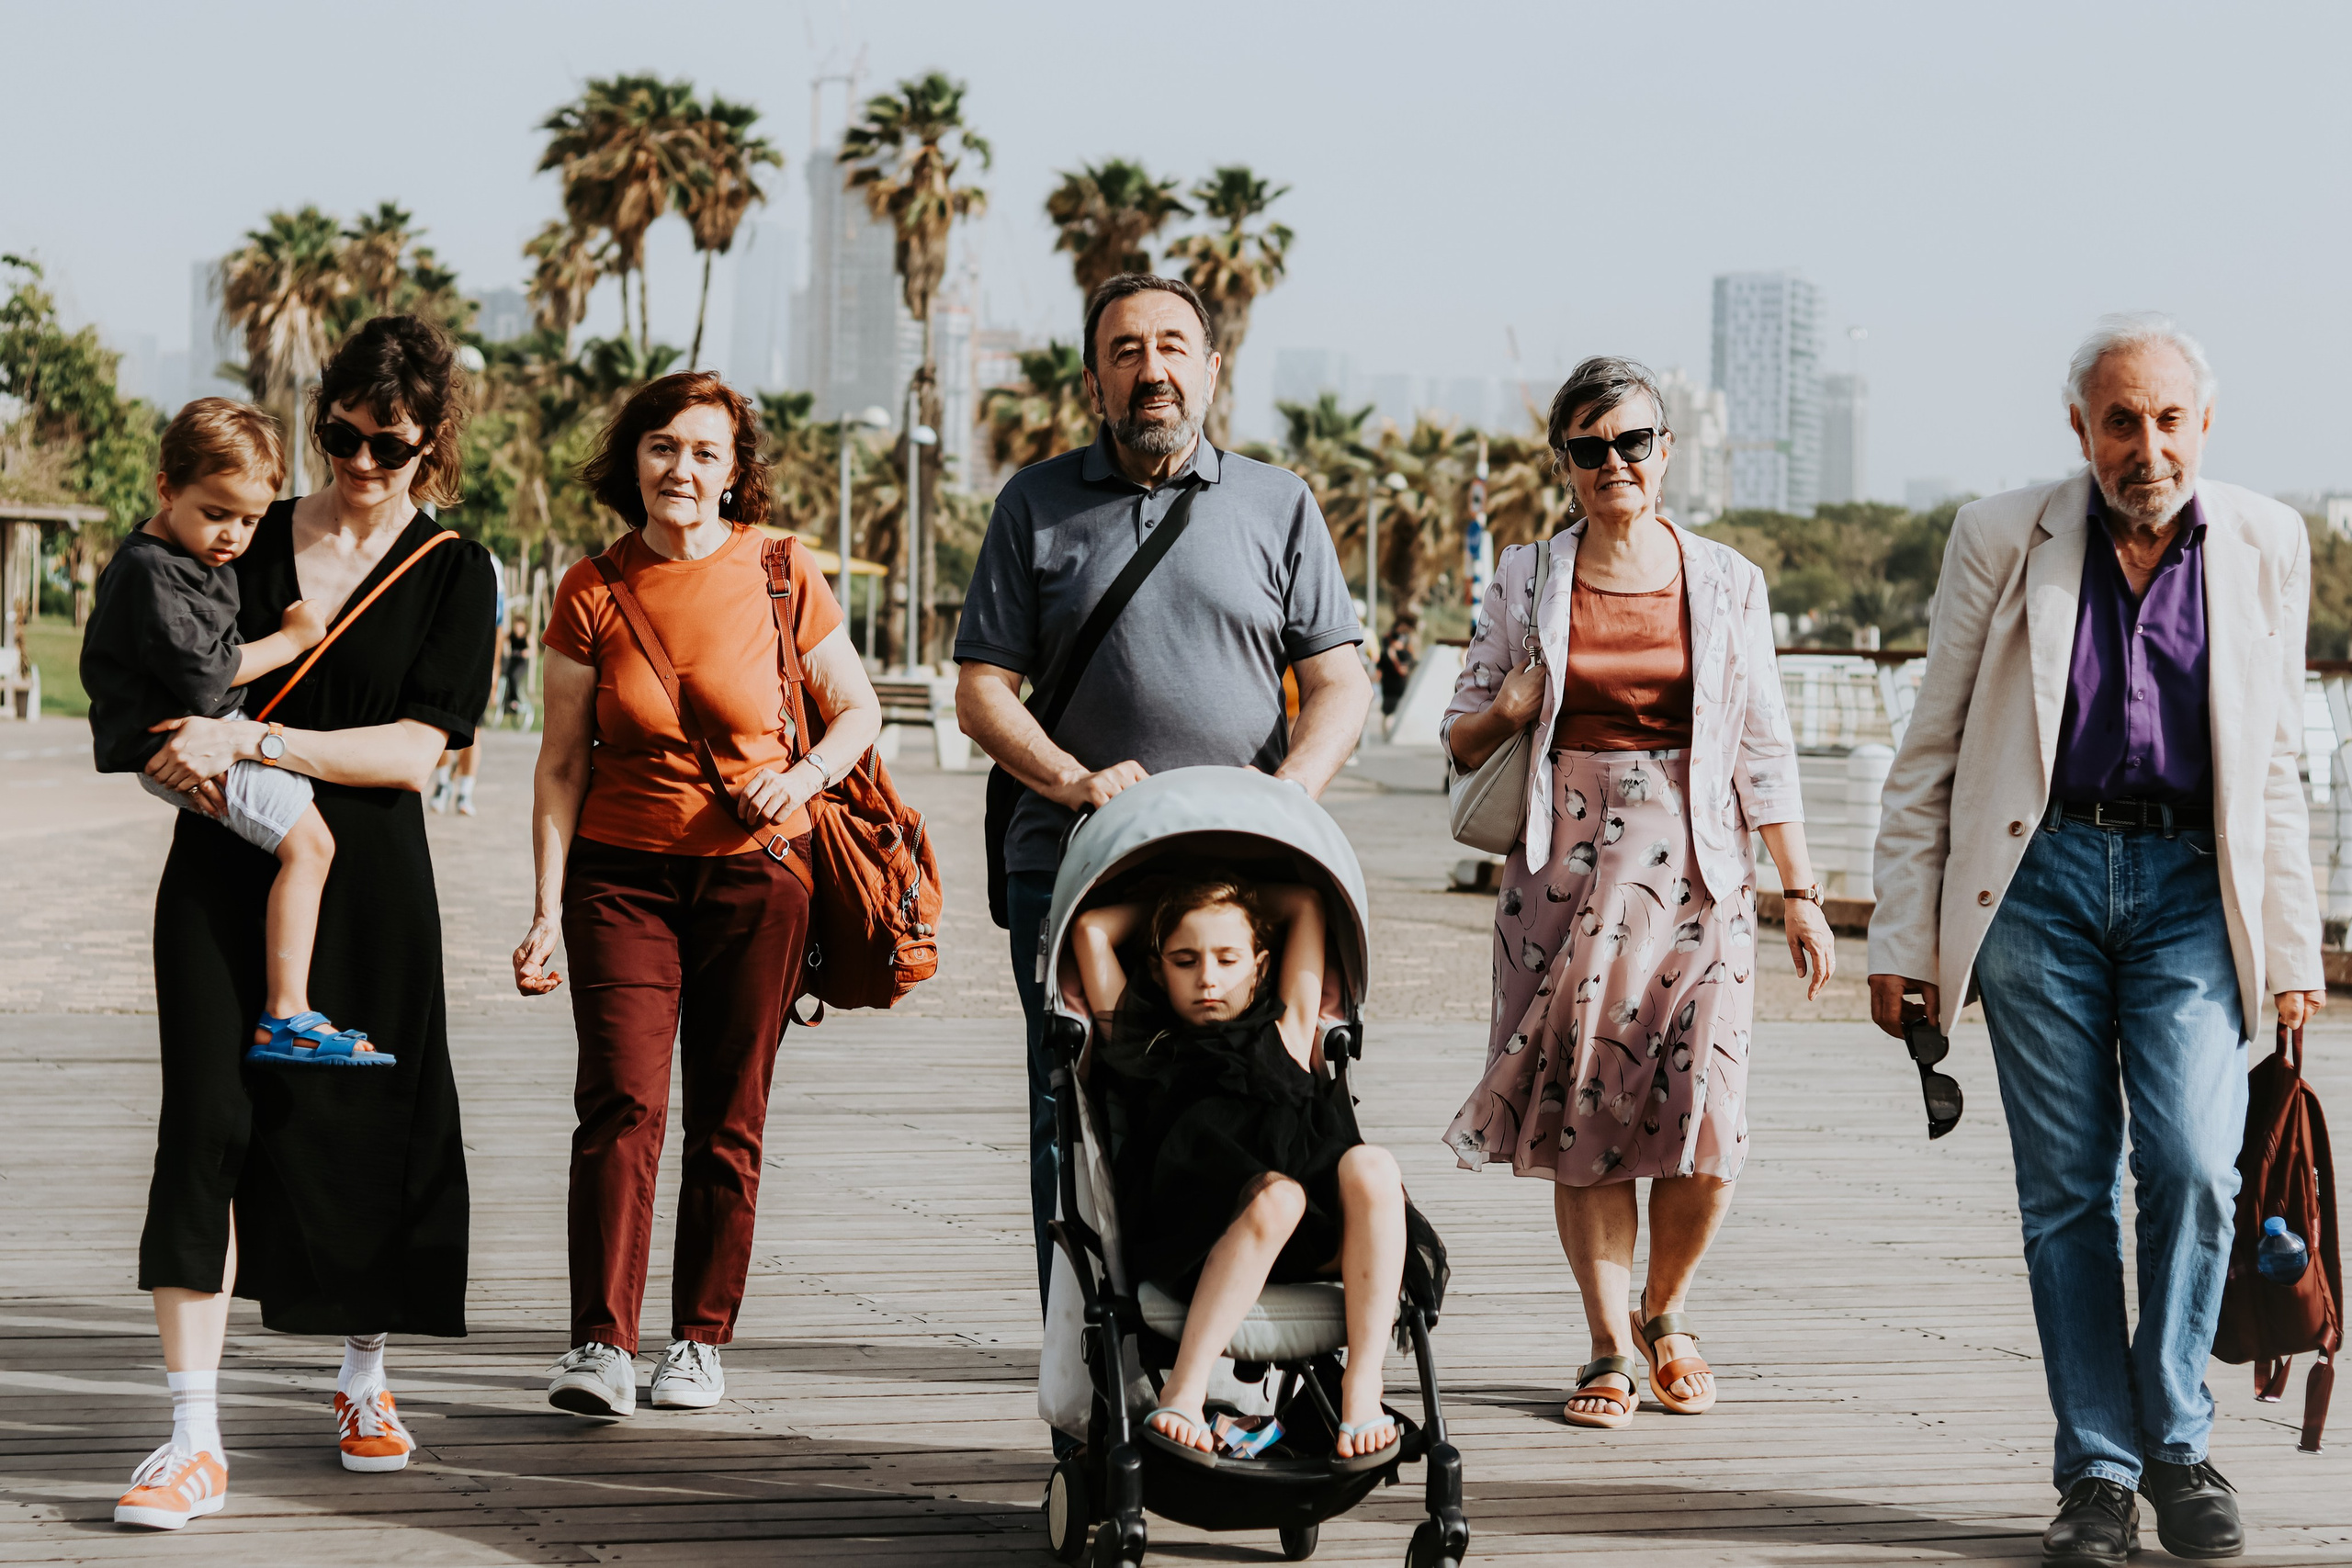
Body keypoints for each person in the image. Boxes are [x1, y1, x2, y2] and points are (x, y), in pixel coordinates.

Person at [1869, 314, 2323, 1565]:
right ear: (2080, 428)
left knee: (2191, 1162)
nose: (2146, 443)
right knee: (2064, 1193)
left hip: (2189, 884)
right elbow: (1935, 748)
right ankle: (2099, 1474)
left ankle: (2178, 1439)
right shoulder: (2004, 534)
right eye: (2120, 419)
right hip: (2040, 877)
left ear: (2204, 425)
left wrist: (2292, 951)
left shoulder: (2266, 542)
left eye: (2168, 417)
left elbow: (2277, 766)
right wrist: (1901, 937)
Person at [112, 315, 497, 1529]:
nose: (360, 463)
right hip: (221, 866)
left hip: (372, 879)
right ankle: (192, 1432)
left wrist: (261, 737)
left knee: (366, 1127)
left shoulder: (456, 571)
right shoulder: (248, 528)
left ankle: (365, 1374)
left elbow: (416, 749)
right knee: (206, 1127)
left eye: (388, 444)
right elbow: (163, 680)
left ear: (431, 445)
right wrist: (172, 752)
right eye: (339, 433)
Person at [955, 274, 1373, 1367]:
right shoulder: (1034, 504)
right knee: (1081, 1099)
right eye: (1127, 350)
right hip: (1078, 862)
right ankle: (1087, 1339)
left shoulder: (1278, 503)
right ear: (1093, 378)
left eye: (1175, 346)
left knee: (1259, 1084)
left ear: (1212, 367)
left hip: (1239, 873)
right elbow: (983, 690)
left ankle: (1225, 1321)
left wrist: (1291, 797)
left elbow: (1339, 682)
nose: (1154, 369)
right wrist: (1071, 778)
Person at [1440, 356, 1830, 1432]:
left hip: (1702, 871)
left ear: (1665, 450)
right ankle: (1610, 1343)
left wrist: (1801, 888)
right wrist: (1515, 703)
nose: (1614, 464)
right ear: (1563, 462)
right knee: (1588, 1108)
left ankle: (1670, 1310)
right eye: (1589, 448)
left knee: (1706, 1108)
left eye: (1633, 443)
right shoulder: (1524, 579)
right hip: (1563, 872)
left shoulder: (1725, 578)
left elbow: (1762, 743)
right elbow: (1458, 730)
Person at [514, 372, 882, 1420]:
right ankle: (599, 1344)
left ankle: (698, 1342)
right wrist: (546, 907)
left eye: (705, 452)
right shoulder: (590, 587)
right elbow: (558, 763)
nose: (682, 469)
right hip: (618, 877)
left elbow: (854, 712)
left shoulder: (779, 570)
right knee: (620, 1101)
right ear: (634, 458)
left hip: (758, 876)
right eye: (663, 447)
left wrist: (803, 778)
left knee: (730, 1117)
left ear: (734, 472)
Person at [83, 399, 397, 1071]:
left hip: (195, 733)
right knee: (311, 846)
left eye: (251, 519)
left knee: (304, 834)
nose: (232, 535)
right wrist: (290, 639)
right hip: (188, 734)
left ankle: (286, 1005)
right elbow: (205, 678)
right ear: (166, 488)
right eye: (217, 513)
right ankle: (286, 1012)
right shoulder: (152, 571)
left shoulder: (175, 552)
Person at [1073, 876, 1408, 1464]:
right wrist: (1175, 897)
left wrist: (1228, 896)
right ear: (1157, 970)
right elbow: (1090, 928)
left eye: (1227, 960)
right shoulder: (1146, 1043)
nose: (1207, 977)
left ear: (1260, 966)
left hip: (1311, 1236)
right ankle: (1186, 1386)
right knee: (1278, 1199)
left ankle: (1363, 1384)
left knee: (1374, 1166)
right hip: (1200, 1237)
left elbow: (1305, 901)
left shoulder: (1288, 1030)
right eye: (1185, 960)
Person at [1377, 613, 1419, 717]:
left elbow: (1409, 663)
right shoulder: (1388, 643)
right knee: (1389, 714)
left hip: (1399, 686)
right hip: (1389, 686)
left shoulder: (1405, 648)